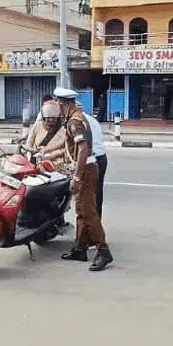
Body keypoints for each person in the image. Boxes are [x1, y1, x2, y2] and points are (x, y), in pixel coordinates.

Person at [57, 87, 112, 271]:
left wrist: (78, 177)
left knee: (88, 212)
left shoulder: (75, 122)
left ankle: (103, 251)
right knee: (81, 210)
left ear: (66, 105)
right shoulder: (78, 118)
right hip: (87, 167)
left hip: (86, 169)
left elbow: (83, 149)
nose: (58, 108)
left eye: (59, 105)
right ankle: (80, 248)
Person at [27, 100, 70, 172]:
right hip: (36, 163)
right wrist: (33, 151)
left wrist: (52, 155)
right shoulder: (37, 126)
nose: (51, 120)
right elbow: (29, 143)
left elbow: (67, 149)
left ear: (58, 117)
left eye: (54, 118)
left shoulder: (64, 130)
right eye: (48, 117)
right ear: (44, 116)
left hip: (56, 166)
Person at [84, 109, 108, 215]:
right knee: (97, 192)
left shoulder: (77, 121)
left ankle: (92, 225)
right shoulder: (92, 120)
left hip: (91, 159)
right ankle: (97, 221)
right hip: (101, 157)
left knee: (87, 195)